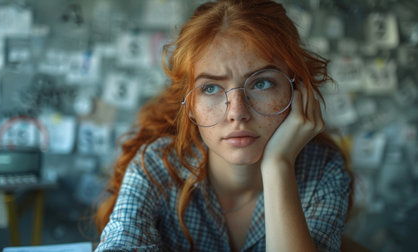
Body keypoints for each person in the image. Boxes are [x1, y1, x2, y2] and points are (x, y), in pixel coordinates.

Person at [94, 0, 352, 251]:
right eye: (211, 88)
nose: (237, 113)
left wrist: (278, 164)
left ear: (298, 91)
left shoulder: (322, 170)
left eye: (261, 83)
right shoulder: (155, 168)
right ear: (190, 103)